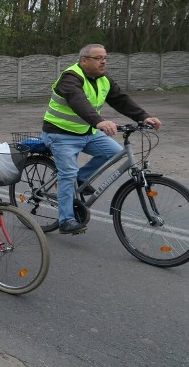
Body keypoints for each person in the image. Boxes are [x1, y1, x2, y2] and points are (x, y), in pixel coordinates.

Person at [41, 43, 162, 235]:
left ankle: (82, 177)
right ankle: (66, 220)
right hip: (60, 134)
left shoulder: (103, 79)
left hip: (86, 131)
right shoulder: (70, 78)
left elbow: (121, 99)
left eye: (105, 57)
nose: (103, 61)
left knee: (114, 152)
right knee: (68, 173)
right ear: (84, 61)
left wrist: (143, 117)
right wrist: (99, 121)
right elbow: (78, 101)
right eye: (98, 58)